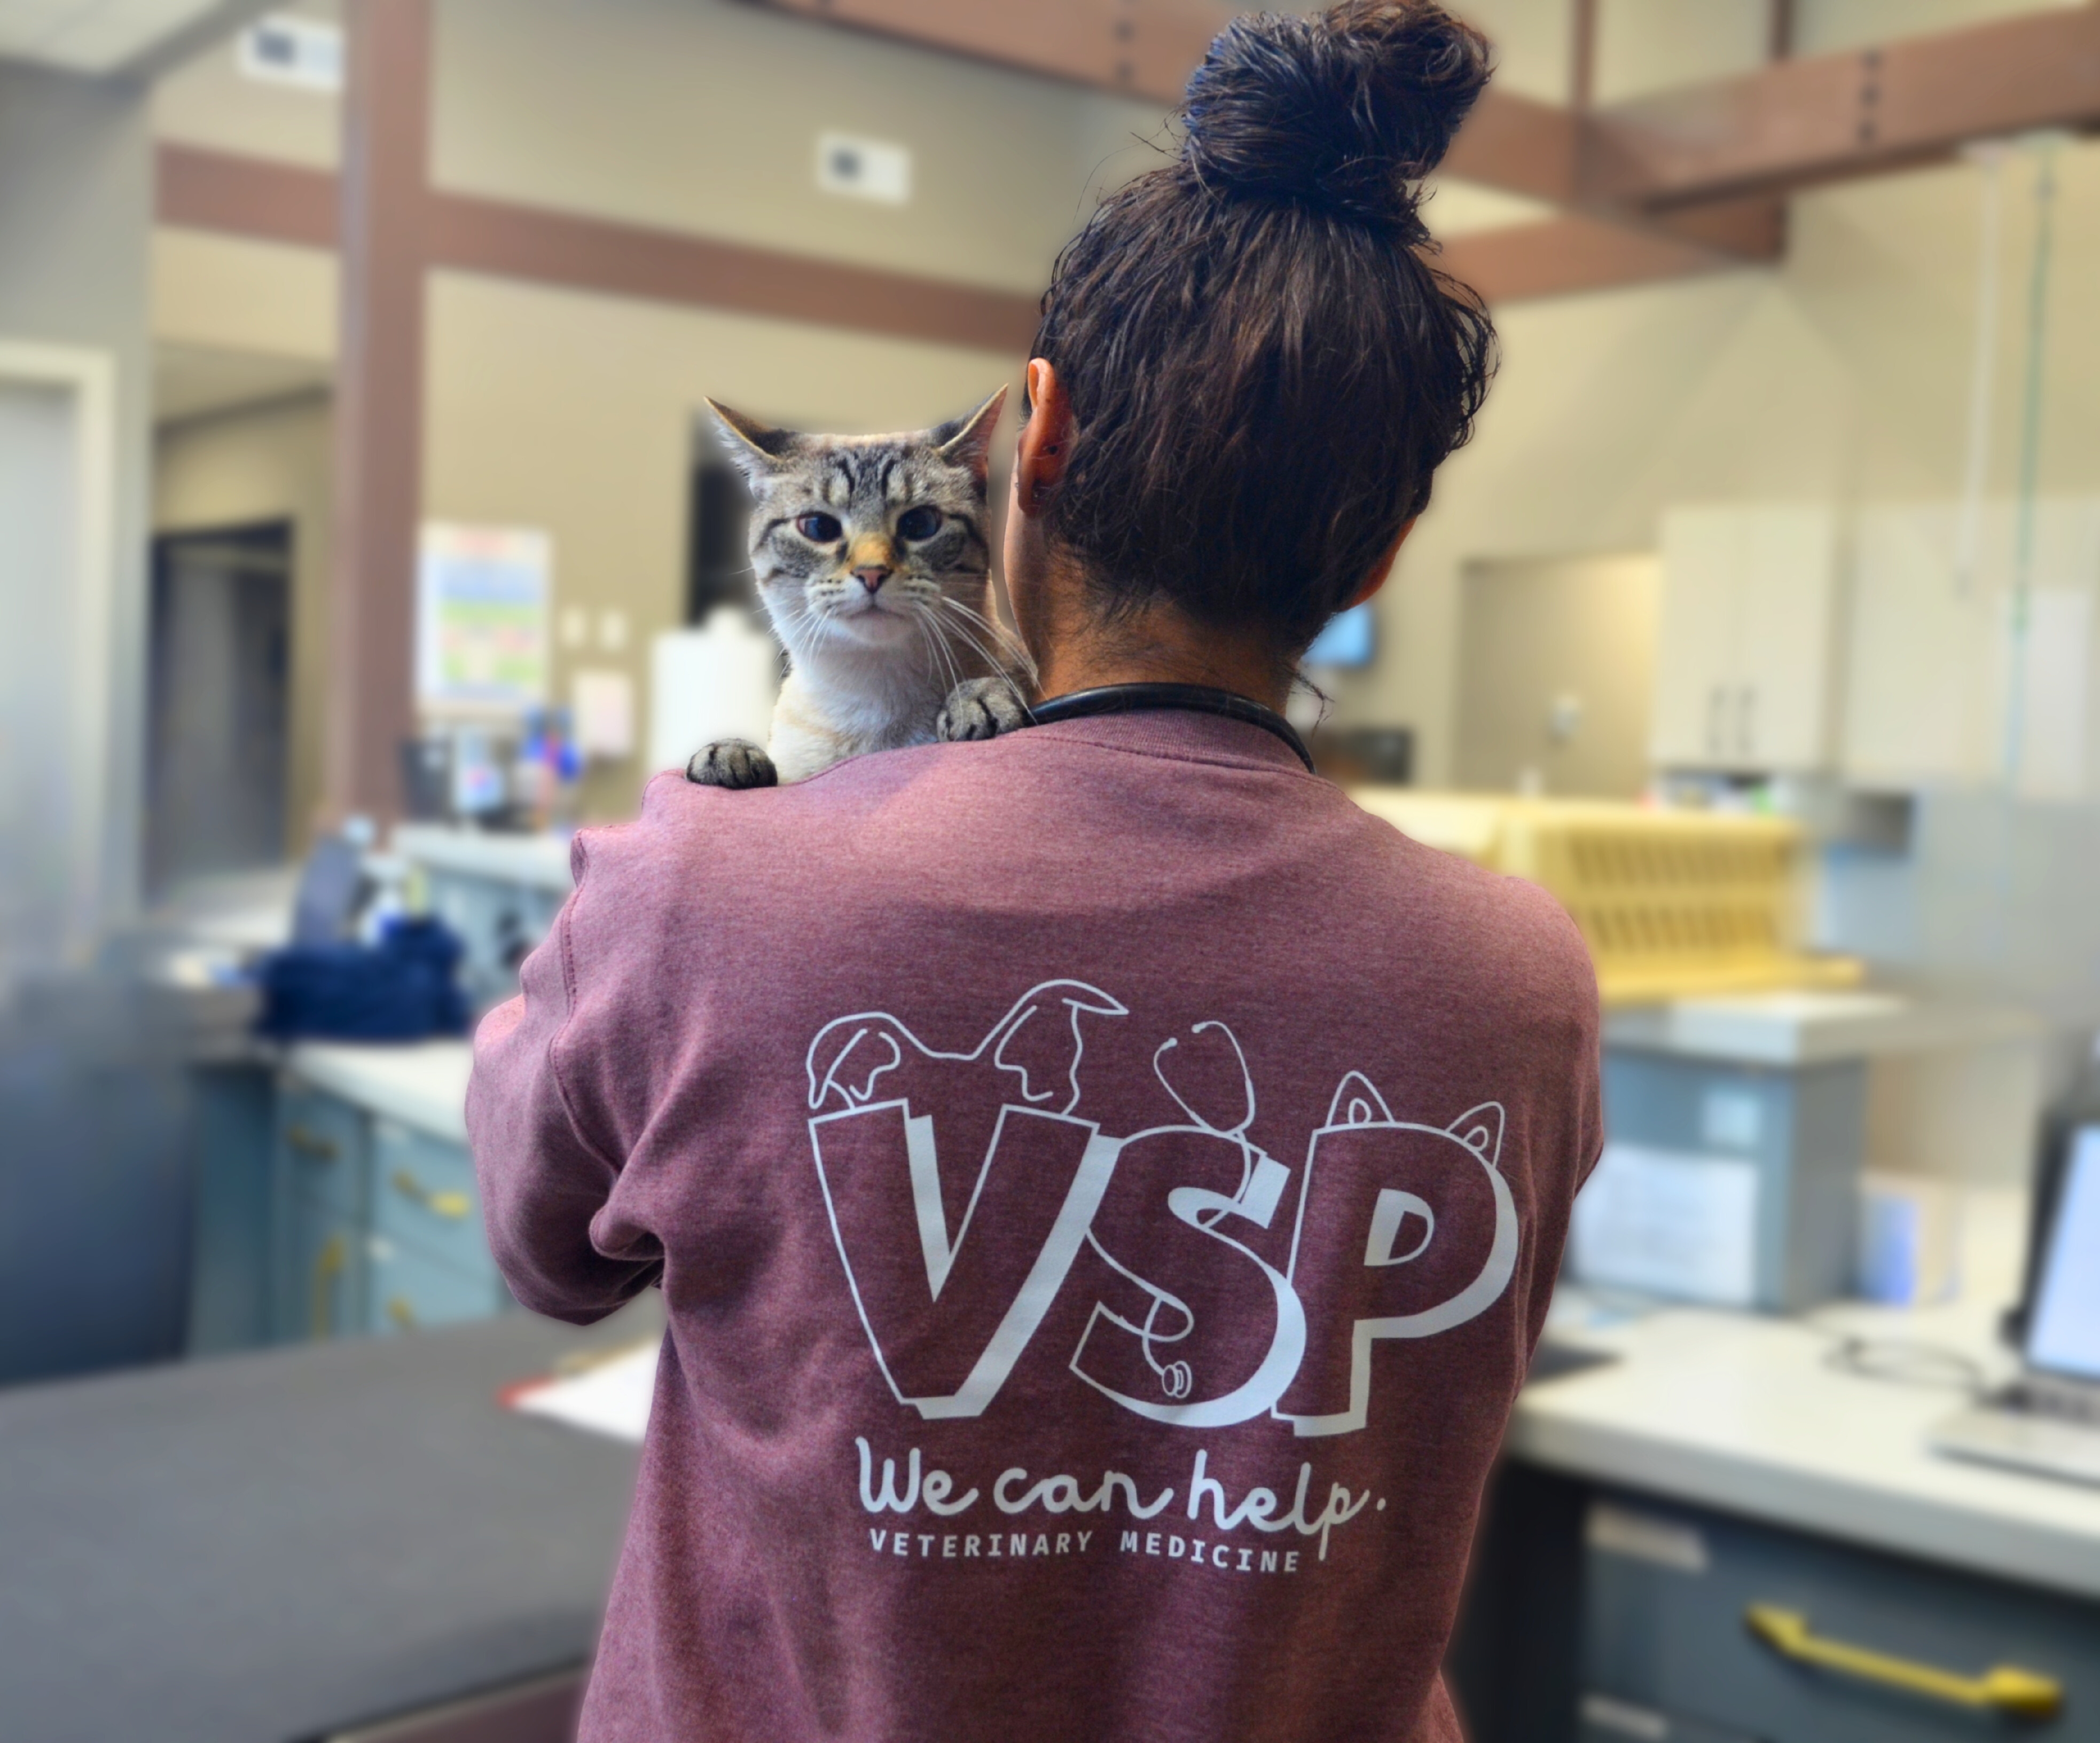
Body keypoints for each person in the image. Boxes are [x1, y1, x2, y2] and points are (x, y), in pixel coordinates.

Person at [468, 3, 1601, 1737]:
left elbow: (539, 1244)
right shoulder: (1518, 981)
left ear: (1032, 442)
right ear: (1380, 548)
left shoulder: (710, 887)